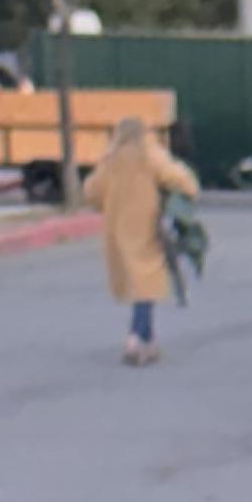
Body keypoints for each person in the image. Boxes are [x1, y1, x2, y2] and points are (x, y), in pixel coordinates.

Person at [84, 113, 201, 365]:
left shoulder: (110, 159)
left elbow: (92, 191)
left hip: (118, 229)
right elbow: (179, 178)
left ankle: (148, 340)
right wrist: (187, 195)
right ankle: (136, 336)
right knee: (146, 283)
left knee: (140, 284)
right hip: (147, 226)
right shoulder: (150, 154)